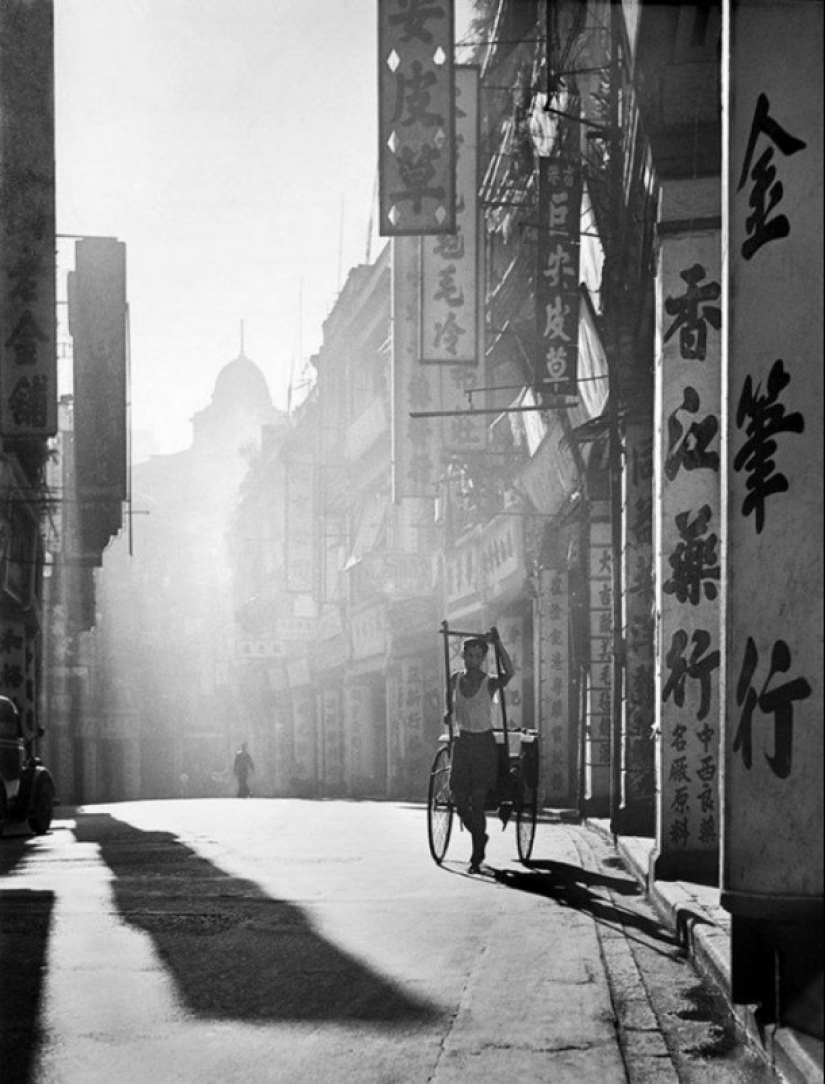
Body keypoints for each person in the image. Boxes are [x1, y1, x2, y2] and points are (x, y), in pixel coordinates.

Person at [447, 627, 514, 873]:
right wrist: (448, 712)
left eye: (478, 656)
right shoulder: (455, 679)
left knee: (477, 799)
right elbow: (449, 703)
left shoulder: (490, 682)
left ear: (482, 659)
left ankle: (476, 855)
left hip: (484, 745)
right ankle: (479, 834)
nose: (474, 660)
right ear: (463, 657)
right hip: (463, 743)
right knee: (458, 798)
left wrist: (499, 645)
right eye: (470, 655)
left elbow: (511, 672)